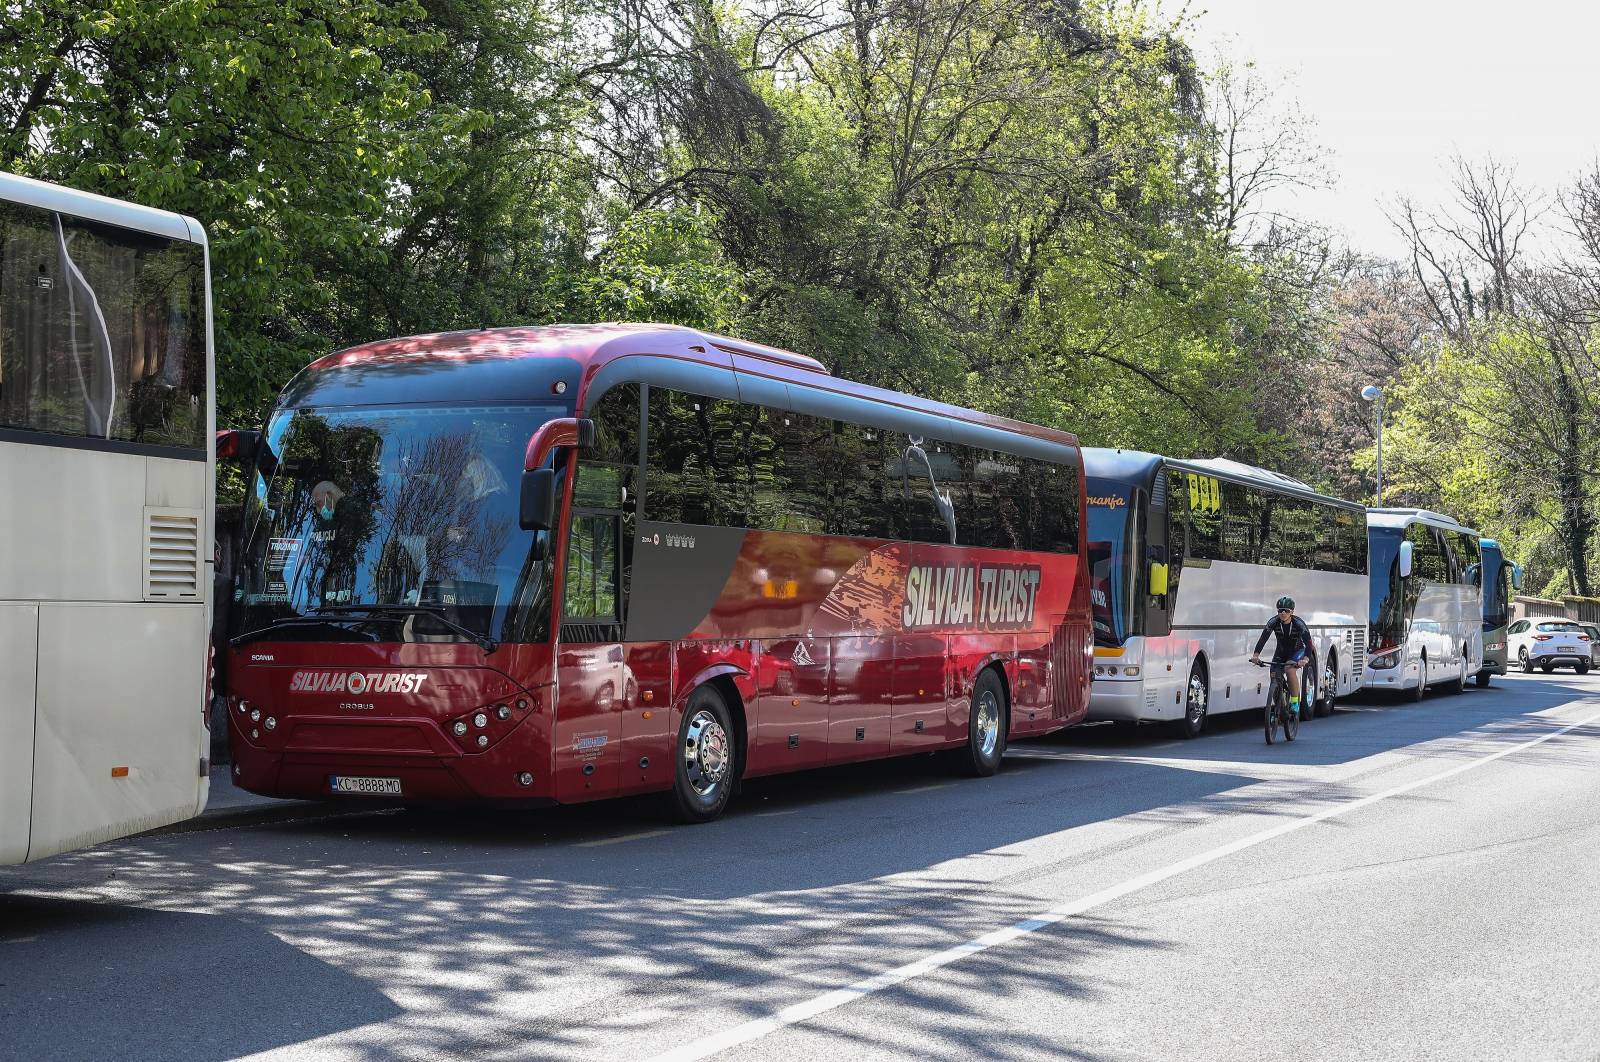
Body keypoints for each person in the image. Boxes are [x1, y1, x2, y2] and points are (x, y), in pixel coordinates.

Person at [1251, 596, 1312, 718]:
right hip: (1281, 652)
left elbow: (1309, 643)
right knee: (1274, 675)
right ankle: (1280, 705)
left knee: (1289, 670)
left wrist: (1305, 659)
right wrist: (1256, 655)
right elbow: (1263, 638)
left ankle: (1294, 701)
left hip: (1297, 651)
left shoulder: (1298, 623)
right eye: (1280, 610)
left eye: (1287, 611)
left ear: (1292, 612)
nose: (1283, 613)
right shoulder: (1273, 622)